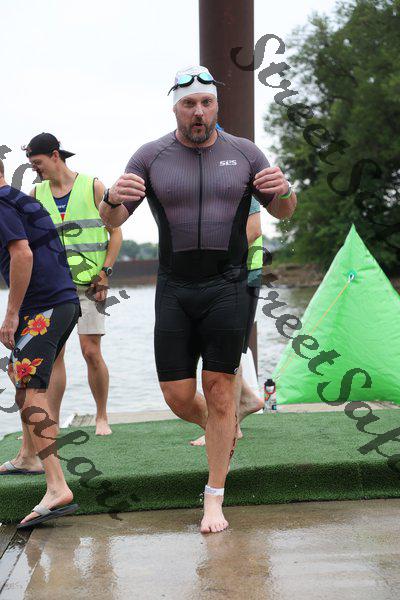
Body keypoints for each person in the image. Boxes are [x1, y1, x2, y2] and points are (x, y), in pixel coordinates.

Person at [99, 65, 297, 534]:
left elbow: (285, 212)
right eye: (189, 104)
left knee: (220, 388)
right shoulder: (151, 155)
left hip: (228, 284)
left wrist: (286, 192)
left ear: (216, 106)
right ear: (176, 108)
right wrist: (110, 198)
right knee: (177, 396)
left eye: (206, 103)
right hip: (174, 286)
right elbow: (112, 220)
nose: (198, 112)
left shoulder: (245, 153)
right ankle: (221, 426)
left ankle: (214, 497)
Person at [24, 133, 123, 436]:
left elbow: (115, 232)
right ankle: (52, 420)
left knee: (91, 351)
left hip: (92, 284)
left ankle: (102, 416)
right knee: (55, 354)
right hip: (53, 288)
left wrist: (105, 272)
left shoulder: (93, 186)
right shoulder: (35, 193)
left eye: (37, 162)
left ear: (55, 155)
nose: (34, 169)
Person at [0, 158, 80, 527]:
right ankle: (28, 456)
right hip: (64, 303)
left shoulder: (2, 204)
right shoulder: (23, 201)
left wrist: (12, 313)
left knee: (32, 392)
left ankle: (57, 486)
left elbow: (22, 253)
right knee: (23, 379)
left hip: (42, 309)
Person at [190, 196, 264, 446]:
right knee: (217, 345)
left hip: (242, 273)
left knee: (228, 349)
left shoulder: (241, 183)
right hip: (220, 275)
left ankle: (228, 424)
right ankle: (245, 403)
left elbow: (253, 230)